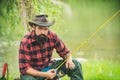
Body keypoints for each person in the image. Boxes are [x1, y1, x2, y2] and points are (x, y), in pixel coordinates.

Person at [19, 14, 83, 80]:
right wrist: (45, 75)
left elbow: (66, 53)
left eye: (45, 29)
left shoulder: (52, 36)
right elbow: (24, 68)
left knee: (76, 65)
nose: (43, 32)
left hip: (49, 67)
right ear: (34, 27)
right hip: (33, 73)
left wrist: (69, 59)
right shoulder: (25, 42)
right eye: (40, 28)